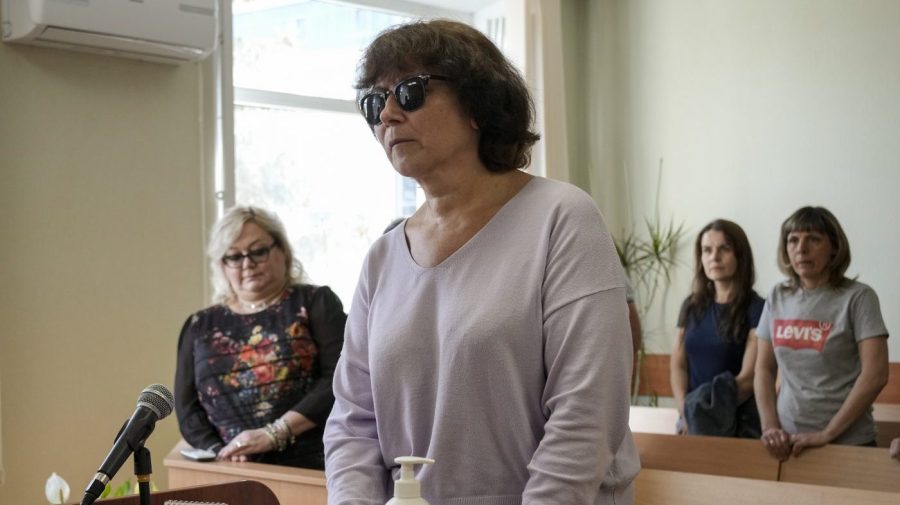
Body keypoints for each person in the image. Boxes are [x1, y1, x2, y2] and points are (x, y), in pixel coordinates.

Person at [324, 19, 639, 505]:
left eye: (408, 92)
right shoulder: (382, 259)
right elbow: (352, 422)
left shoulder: (561, 219)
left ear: (477, 104)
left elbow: (587, 412)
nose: (386, 114)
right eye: (372, 101)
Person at [175, 206, 346, 469]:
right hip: (227, 470)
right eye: (233, 256)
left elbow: (340, 378)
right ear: (222, 265)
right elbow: (187, 409)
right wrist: (223, 451)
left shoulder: (315, 303)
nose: (247, 264)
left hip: (309, 467)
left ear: (283, 251)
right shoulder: (199, 325)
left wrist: (274, 433)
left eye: (258, 251)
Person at [754, 206, 889, 460]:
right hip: (788, 445)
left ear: (834, 248)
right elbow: (763, 369)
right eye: (793, 240)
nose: (801, 248)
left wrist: (827, 433)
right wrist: (770, 427)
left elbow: (876, 375)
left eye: (813, 239)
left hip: (847, 443)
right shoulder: (777, 296)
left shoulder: (859, 297)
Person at [670, 220, 764, 437]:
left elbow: (749, 379)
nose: (714, 256)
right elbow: (678, 366)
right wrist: (685, 412)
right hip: (690, 418)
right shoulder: (691, 306)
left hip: (736, 421)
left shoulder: (758, 308)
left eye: (724, 248)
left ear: (740, 255)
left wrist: (702, 415)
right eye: (707, 250)